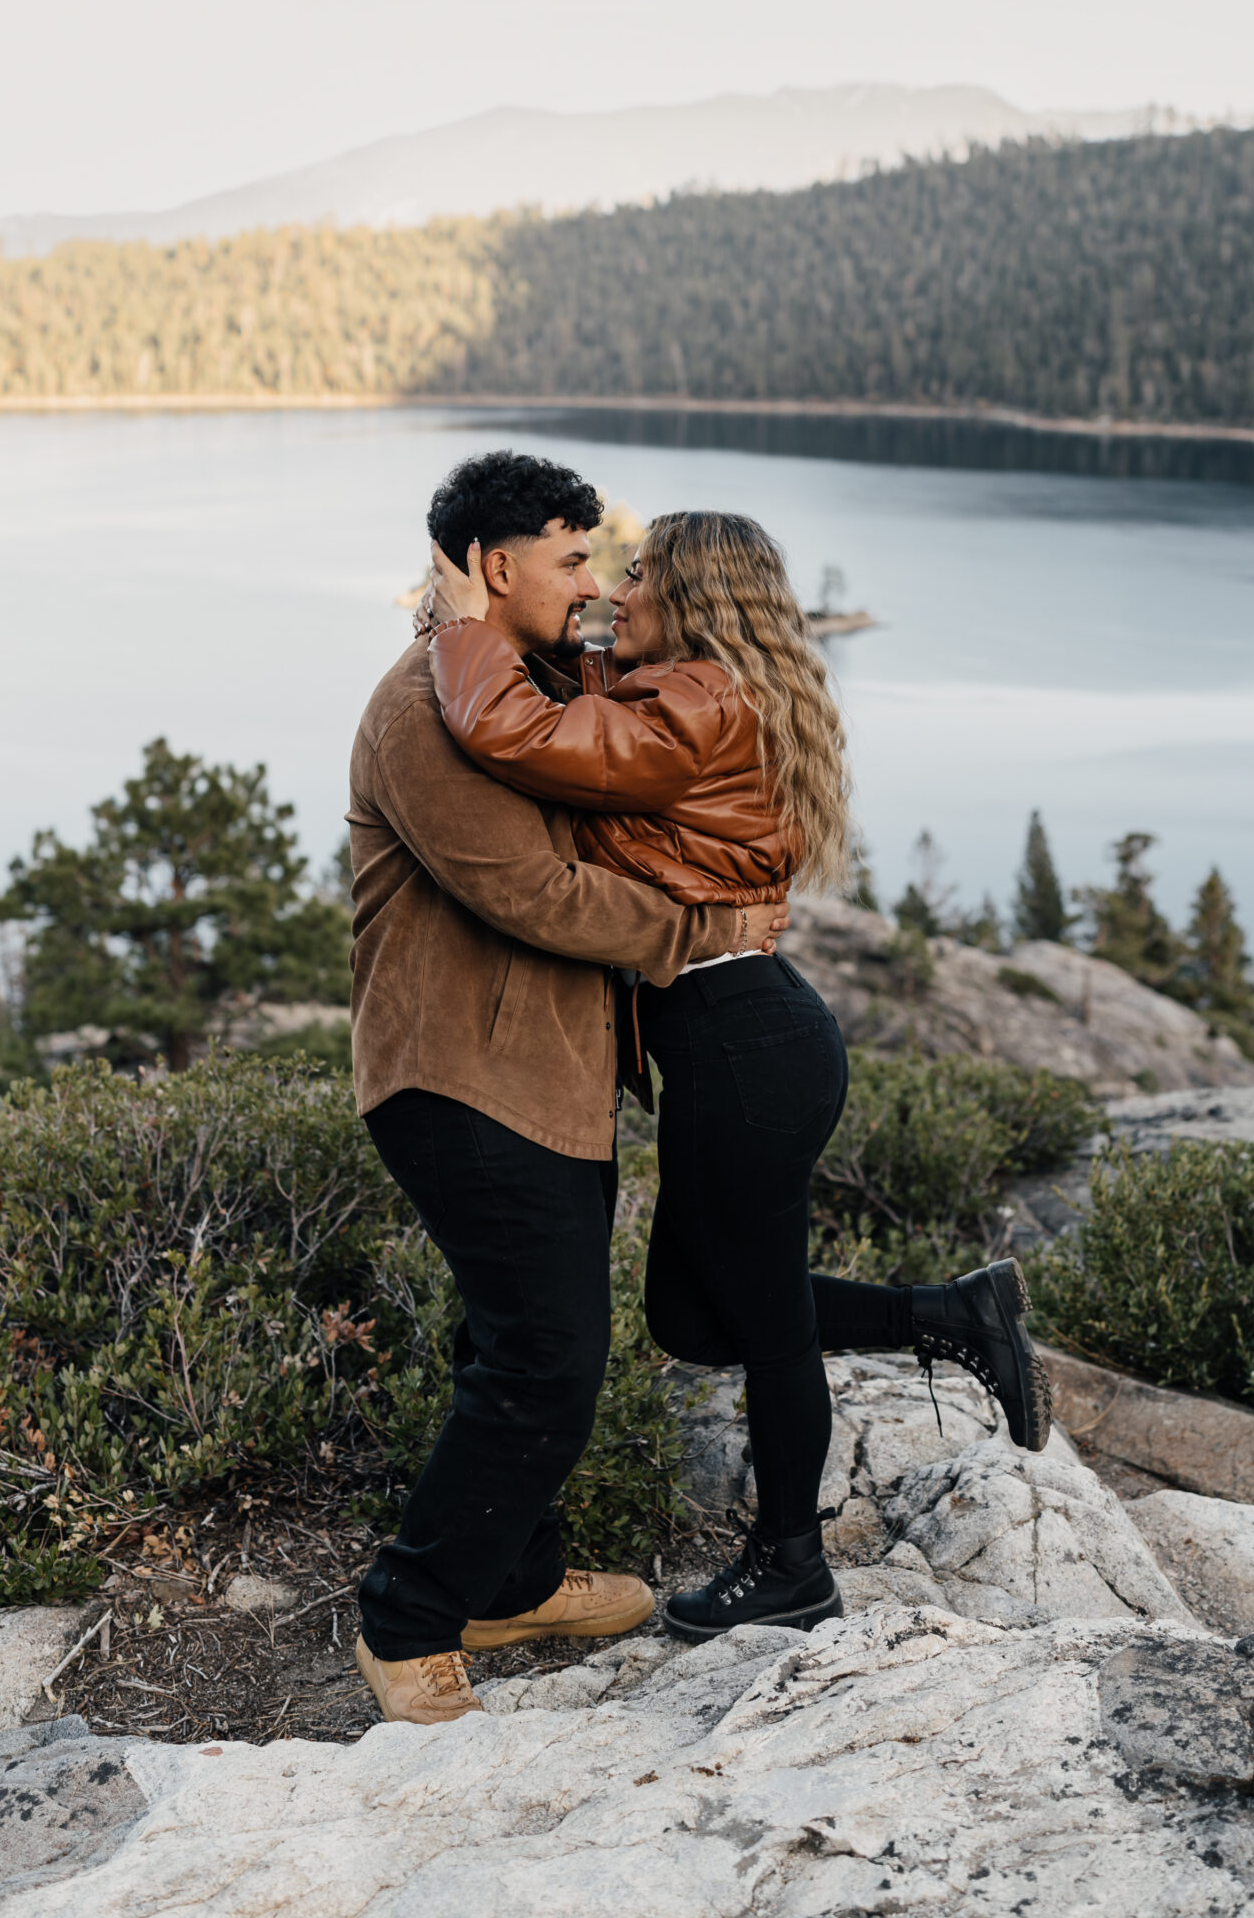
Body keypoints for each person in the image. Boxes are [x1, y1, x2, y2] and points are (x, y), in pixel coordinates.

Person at [427, 506, 1050, 1643]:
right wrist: (573, 643)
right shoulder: (693, 689)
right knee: (688, 1313)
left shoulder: (701, 698)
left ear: (699, 597)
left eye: (645, 571)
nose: (622, 585)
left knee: (763, 1324)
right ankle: (951, 1311)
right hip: (739, 1037)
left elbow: (525, 740)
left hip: (744, 1045)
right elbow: (602, 715)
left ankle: (792, 1565)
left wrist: (466, 629)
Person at [347, 453, 790, 1724]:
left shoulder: (525, 682)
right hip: (458, 1073)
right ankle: (411, 1619)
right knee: (549, 1359)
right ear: (496, 569)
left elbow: (628, 747)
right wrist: (695, 926)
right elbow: (527, 890)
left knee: (512, 1336)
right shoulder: (419, 709)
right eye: (572, 558)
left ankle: (512, 1578)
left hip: (544, 1076)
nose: (594, 581)